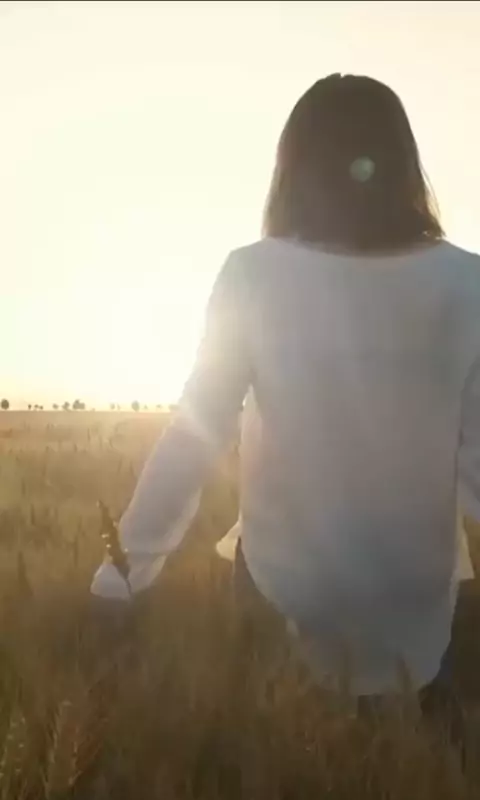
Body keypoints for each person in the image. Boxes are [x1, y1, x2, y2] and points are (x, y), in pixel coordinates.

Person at [92, 74, 480, 703]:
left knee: (273, 727)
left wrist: (122, 573)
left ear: (292, 169)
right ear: (405, 165)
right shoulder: (469, 281)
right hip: (416, 598)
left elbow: (195, 437)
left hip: (286, 591)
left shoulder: (254, 273)